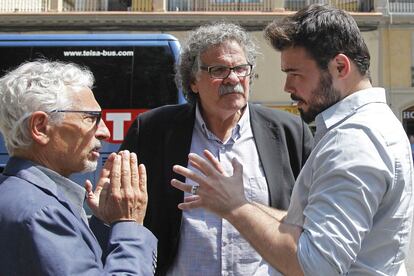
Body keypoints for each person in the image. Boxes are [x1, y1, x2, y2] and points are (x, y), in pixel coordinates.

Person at [170, 5, 414, 276]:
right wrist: (236, 200)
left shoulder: (354, 142)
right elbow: (305, 226)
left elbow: (313, 266)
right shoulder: (367, 125)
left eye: (295, 73)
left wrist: (235, 208)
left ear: (340, 67)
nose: (287, 87)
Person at [120, 22, 313, 275]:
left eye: (241, 68)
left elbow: (313, 214)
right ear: (193, 82)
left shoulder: (290, 132)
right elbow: (125, 208)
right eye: (218, 70)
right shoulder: (152, 130)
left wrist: (240, 206)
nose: (233, 78)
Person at [0, 60, 157, 275]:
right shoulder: (41, 213)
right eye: (91, 118)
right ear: (41, 127)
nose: (104, 131)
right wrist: (128, 224)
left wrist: (102, 224)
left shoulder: (22, 195)